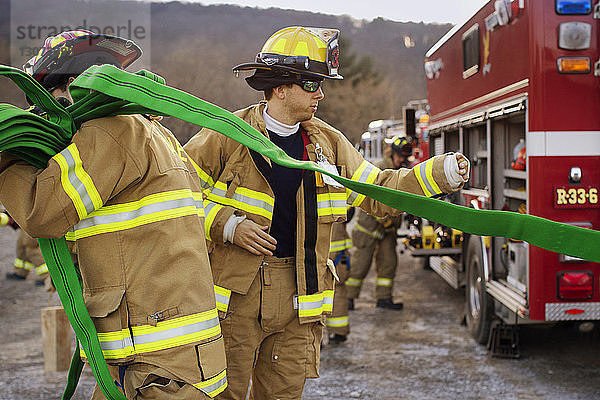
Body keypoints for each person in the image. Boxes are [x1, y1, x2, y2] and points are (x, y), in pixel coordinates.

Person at [184, 26, 469, 399]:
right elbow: (177, 194)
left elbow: (378, 190)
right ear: (280, 86)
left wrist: (438, 173)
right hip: (236, 297)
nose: (320, 93)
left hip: (299, 298)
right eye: (311, 84)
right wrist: (227, 226)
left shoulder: (329, 144)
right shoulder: (226, 135)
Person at [0, 30, 227, 399]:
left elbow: (41, 210)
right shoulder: (152, 129)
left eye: (50, 103)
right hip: (164, 351)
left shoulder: (109, 131)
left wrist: (8, 150)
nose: (49, 116)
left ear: (72, 86)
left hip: (156, 360)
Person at [346, 136, 413, 310]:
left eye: (405, 158)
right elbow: (373, 200)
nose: (402, 160)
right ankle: (347, 298)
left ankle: (384, 298)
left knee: (388, 263)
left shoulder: (402, 171)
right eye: (400, 156)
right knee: (359, 266)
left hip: (388, 231)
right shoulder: (380, 169)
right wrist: (385, 221)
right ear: (393, 153)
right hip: (369, 228)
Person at [325, 207, 354, 345]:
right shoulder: (337, 193)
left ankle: (313, 339)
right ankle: (338, 332)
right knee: (337, 291)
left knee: (310, 293)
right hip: (336, 257)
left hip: (316, 254)